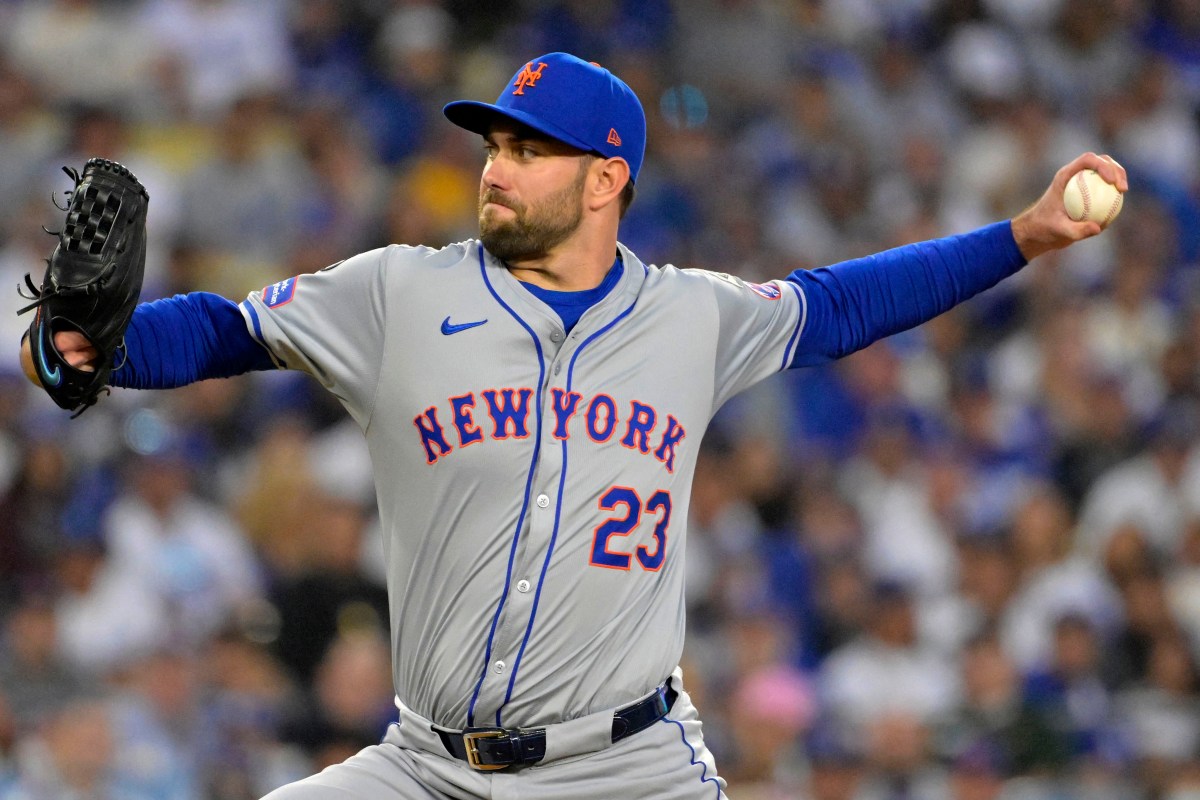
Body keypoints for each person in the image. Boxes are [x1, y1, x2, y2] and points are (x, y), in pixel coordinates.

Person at [19, 52, 1127, 799]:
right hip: (425, 765)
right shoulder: (399, 291)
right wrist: (96, 349)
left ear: (607, 178)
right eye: (494, 144)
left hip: (624, 767)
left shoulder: (691, 316)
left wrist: (1020, 237)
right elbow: (222, 331)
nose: (495, 167)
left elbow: (839, 303)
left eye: (528, 150)